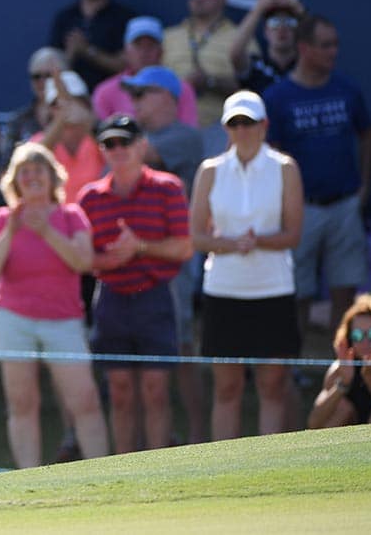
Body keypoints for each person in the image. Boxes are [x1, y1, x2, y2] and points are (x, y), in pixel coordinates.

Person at [0, 142, 108, 468]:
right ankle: (28, 478)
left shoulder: (71, 215)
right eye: (25, 172)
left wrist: (45, 230)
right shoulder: (1, 218)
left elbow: (83, 262)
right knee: (22, 403)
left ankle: (104, 471)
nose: (32, 177)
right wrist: (12, 229)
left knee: (85, 400)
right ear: (14, 180)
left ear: (52, 177)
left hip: (63, 320)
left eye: (38, 170)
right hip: (13, 320)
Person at [189, 91, 303, 440]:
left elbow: (293, 233)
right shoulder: (210, 171)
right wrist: (229, 244)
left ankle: (268, 468)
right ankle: (224, 472)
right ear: (226, 128)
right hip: (224, 289)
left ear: (263, 125)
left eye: (248, 122)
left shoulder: (284, 168)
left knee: (272, 386)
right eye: (234, 123)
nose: (241, 129)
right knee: (226, 388)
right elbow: (198, 237)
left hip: (273, 287)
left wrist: (259, 241)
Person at [77, 115, 193, 453]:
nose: (118, 149)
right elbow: (83, 259)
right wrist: (108, 261)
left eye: (125, 142)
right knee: (120, 391)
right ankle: (125, 467)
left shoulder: (168, 187)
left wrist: (139, 246)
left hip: (154, 298)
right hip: (111, 299)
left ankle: (157, 467)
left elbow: (183, 247)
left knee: (156, 390)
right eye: (109, 144)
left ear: (142, 145)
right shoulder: (89, 197)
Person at [263, 15, 371, 335]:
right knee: (296, 292)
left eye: (335, 44)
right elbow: (271, 154)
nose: (333, 52)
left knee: (345, 290)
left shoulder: (347, 89)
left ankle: (344, 370)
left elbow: (367, 135)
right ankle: (294, 370)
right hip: (301, 210)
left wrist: (364, 186)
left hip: (344, 205)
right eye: (325, 45)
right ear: (304, 48)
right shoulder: (278, 97)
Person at [122, 65, 206, 443]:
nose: (135, 102)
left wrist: (101, 132)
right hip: (130, 261)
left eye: (142, 94)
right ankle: (150, 440)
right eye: (133, 94)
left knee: (182, 347)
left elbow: (138, 156)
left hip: (173, 261)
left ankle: (199, 435)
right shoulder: (137, 137)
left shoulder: (184, 137)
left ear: (169, 97)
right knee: (139, 355)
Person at [163, 0, 256, 131]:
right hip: (173, 130)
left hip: (223, 129)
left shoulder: (241, 38)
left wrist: (210, 82)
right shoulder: (168, 36)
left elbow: (254, 89)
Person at [47, 0, 133, 89]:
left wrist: (88, 51)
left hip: (113, 101)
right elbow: (50, 68)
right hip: (69, 98)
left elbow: (129, 66)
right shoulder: (64, 18)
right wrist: (70, 54)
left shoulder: (126, 18)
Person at [91, 16, 198, 127]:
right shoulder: (105, 91)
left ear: (161, 51)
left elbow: (188, 134)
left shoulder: (182, 89)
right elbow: (101, 136)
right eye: (138, 45)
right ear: (126, 51)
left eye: (150, 46)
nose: (144, 52)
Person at [307, 295, 371, 429]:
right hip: (349, 439)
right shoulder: (341, 367)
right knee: (343, 408)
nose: (365, 342)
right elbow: (314, 424)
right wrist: (343, 384)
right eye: (357, 336)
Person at [33, 70, 103, 204]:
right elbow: (34, 159)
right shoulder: (39, 141)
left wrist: (86, 121)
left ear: (85, 103)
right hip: (54, 221)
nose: (67, 107)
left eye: (74, 100)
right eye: (56, 104)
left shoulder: (98, 137)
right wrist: (61, 119)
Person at [229, 0, 304, 94]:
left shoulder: (307, 66)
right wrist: (259, 7)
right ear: (265, 31)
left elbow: (319, 41)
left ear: (298, 30)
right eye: (275, 22)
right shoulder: (256, 66)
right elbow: (235, 54)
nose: (282, 28)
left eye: (289, 22)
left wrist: (298, 8)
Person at [2, 48, 60, 169]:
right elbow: (4, 170)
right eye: (37, 76)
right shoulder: (18, 120)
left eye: (49, 75)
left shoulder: (79, 116)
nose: (43, 81)